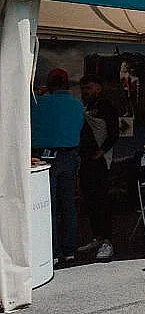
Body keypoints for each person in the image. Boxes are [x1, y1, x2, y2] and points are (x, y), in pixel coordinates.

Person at [31, 68, 85, 267]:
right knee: (69, 205)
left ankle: (51, 251)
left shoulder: (37, 103)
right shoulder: (77, 105)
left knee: (48, 207)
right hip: (69, 156)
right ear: (67, 84)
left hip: (44, 156)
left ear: (49, 83)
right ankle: (69, 251)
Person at [76, 74, 120, 262]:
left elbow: (114, 132)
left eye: (89, 88)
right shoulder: (84, 106)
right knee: (90, 200)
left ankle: (107, 242)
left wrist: (102, 151)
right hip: (85, 160)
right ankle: (97, 237)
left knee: (102, 200)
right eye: (84, 88)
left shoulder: (106, 106)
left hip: (100, 161)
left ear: (98, 88)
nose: (86, 92)